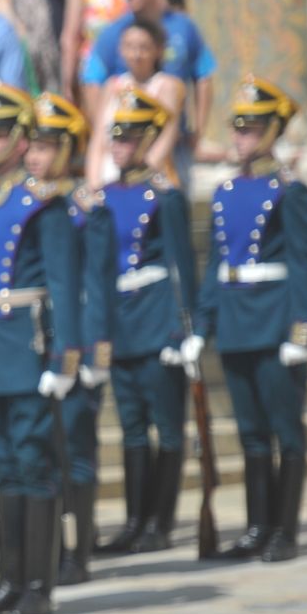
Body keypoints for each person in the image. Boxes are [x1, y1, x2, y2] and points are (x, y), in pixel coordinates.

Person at [0, 82, 81, 614]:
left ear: (22, 141)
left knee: (34, 466)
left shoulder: (41, 205)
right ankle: (7, 580)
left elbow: (65, 287)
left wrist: (65, 359)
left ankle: (37, 586)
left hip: (26, 346)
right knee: (3, 468)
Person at [191, 78, 307, 563]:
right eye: (238, 129)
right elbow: (215, 266)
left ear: (273, 131)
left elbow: (306, 264)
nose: (243, 138)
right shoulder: (224, 193)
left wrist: (301, 329)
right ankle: (256, 527)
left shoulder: (291, 192)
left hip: (274, 321)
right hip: (236, 322)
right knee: (250, 432)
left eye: (253, 129)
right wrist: (201, 326)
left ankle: (284, 530)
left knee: (286, 429)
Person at [95, 88, 198, 555]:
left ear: (149, 142)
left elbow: (183, 266)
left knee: (168, 428)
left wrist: (185, 329)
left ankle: (161, 521)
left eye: (130, 139)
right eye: (116, 139)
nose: (120, 147)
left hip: (156, 318)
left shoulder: (164, 197)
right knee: (133, 428)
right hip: (119, 322)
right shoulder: (101, 198)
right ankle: (135, 520)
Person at [23, 93, 112, 586]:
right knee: (43, 450)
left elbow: (95, 284)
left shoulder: (84, 207)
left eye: (47, 146)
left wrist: (95, 351)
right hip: (35, 342)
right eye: (32, 146)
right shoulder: (24, 206)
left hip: (74, 342)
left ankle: (79, 548)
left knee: (76, 449)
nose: (37, 156)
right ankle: (50, 543)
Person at [80, 0, 216, 186]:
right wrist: (104, 136)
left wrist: (199, 130)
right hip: (124, 146)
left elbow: (204, 75)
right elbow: (92, 79)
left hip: (174, 144)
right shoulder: (115, 32)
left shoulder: (183, 26)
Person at [84, 17, 185, 186]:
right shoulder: (112, 86)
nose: (136, 54)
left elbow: (169, 134)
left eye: (144, 47)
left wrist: (141, 174)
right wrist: (93, 182)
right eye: (129, 46)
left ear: (158, 50)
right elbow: (99, 139)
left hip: (148, 178)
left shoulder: (167, 85)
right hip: (110, 175)